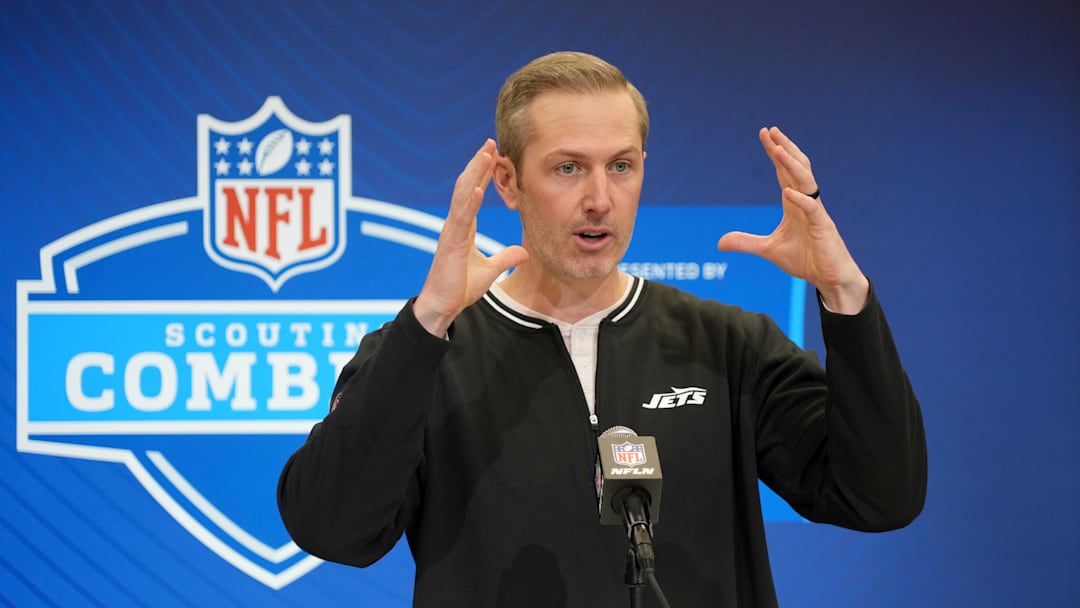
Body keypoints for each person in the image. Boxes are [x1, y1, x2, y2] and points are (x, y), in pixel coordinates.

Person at [277, 51, 926, 607]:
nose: (599, 199)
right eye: (568, 168)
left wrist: (844, 295)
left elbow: (879, 498)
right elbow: (332, 531)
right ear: (508, 180)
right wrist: (428, 323)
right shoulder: (426, 353)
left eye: (621, 166)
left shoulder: (728, 345)